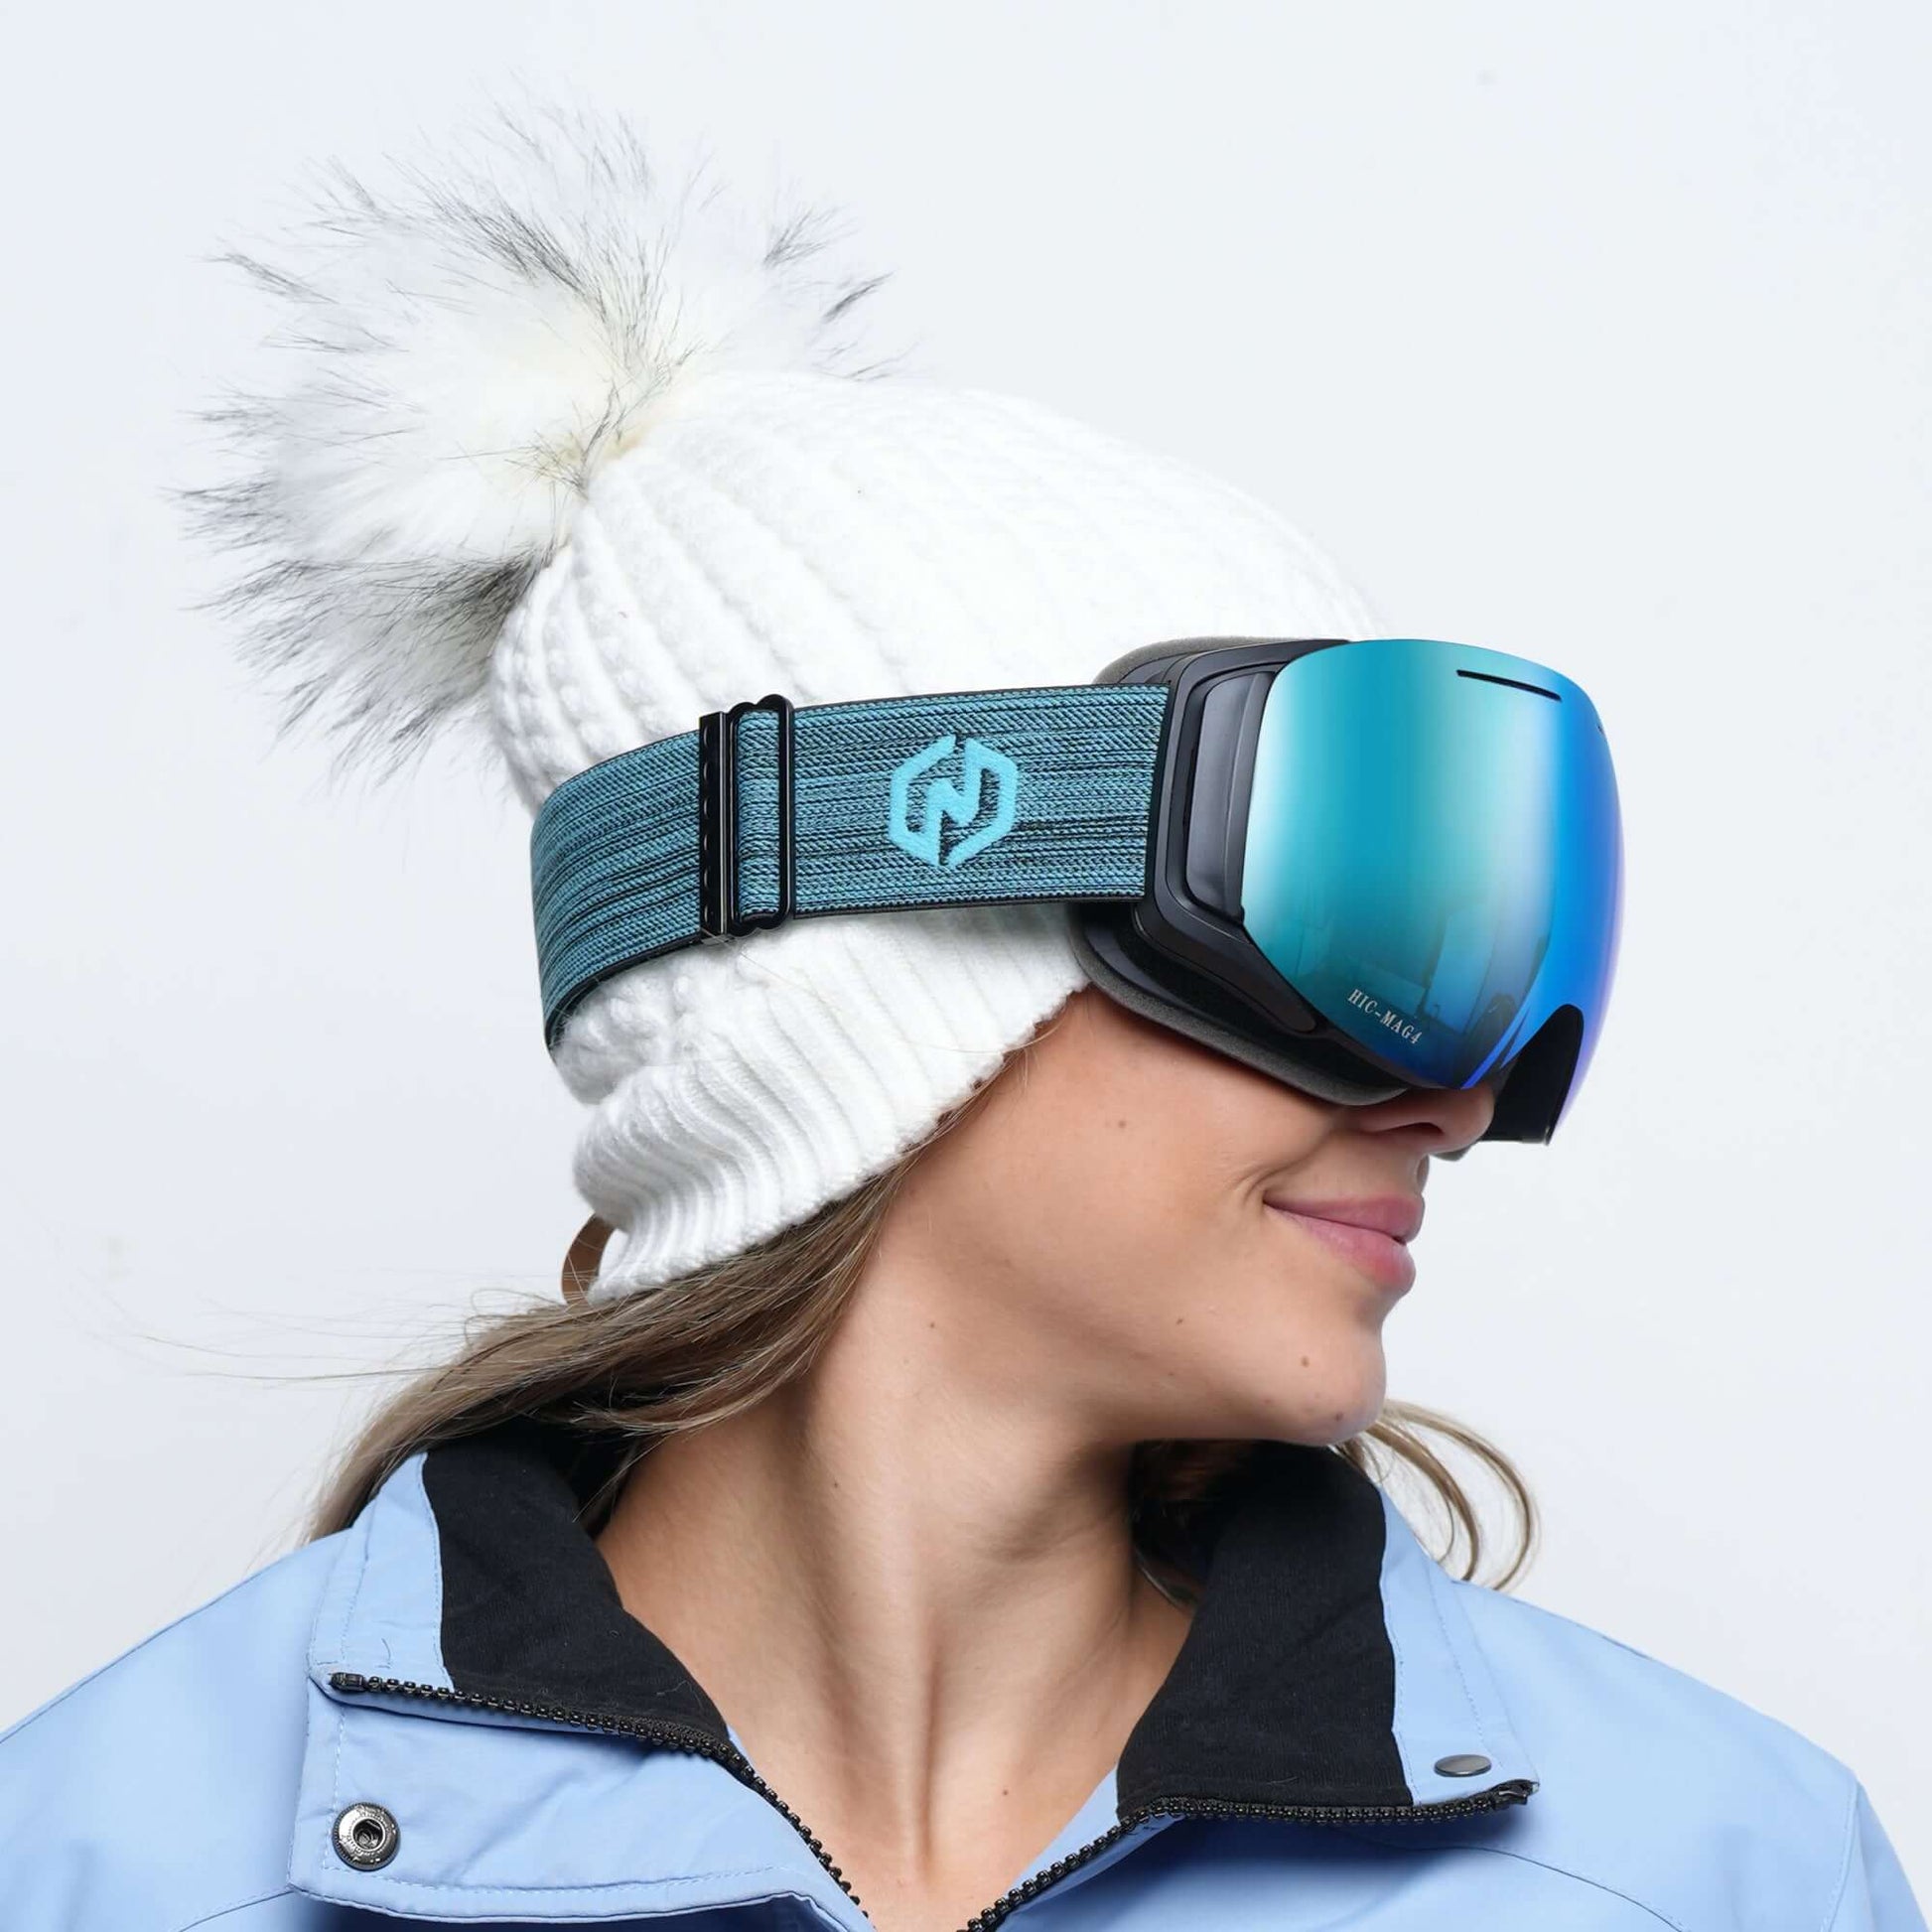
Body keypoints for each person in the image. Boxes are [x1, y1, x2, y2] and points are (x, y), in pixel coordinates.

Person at [1, 109, 1921, 1932]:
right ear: (881, 916)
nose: (1454, 1098)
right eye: (1336, 905)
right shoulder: (104, 1865)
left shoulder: (1718, 1869)